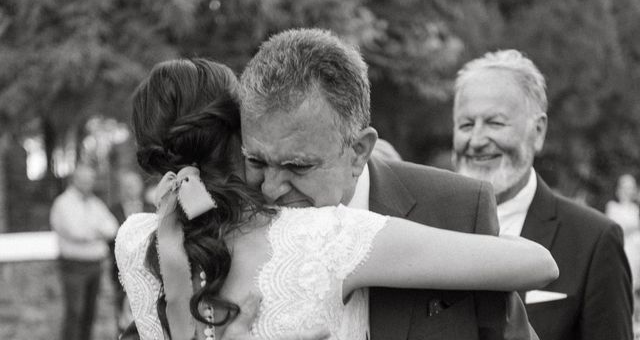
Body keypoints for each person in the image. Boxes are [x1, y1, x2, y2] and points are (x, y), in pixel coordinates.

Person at [117, 51, 556, 340]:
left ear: (359, 150)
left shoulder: (137, 241)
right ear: (239, 135)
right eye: (258, 160)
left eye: (298, 165)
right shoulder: (326, 235)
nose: (271, 187)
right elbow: (538, 263)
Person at [452, 49, 633, 340]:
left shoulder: (594, 240)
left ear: (538, 132)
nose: (477, 140)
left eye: (495, 123)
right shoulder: (427, 224)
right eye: (466, 125)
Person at [50, 164, 120, 340]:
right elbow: (76, 232)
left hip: (95, 265)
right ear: (75, 180)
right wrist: (98, 230)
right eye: (85, 180)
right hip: (73, 266)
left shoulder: (95, 203)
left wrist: (93, 230)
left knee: (90, 314)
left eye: (91, 180)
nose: (89, 183)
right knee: (75, 313)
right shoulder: (63, 203)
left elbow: (112, 228)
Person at [109, 170, 155, 333]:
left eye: (134, 185)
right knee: (124, 320)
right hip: (121, 275)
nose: (130, 189)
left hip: (149, 274)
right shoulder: (112, 211)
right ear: (121, 188)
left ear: (141, 187)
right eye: (126, 186)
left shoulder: (152, 209)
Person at [606, 173, 640, 292]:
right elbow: (616, 228)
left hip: (635, 253)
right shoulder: (613, 207)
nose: (629, 191)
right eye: (626, 187)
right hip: (622, 251)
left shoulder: (635, 209)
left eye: (631, 187)